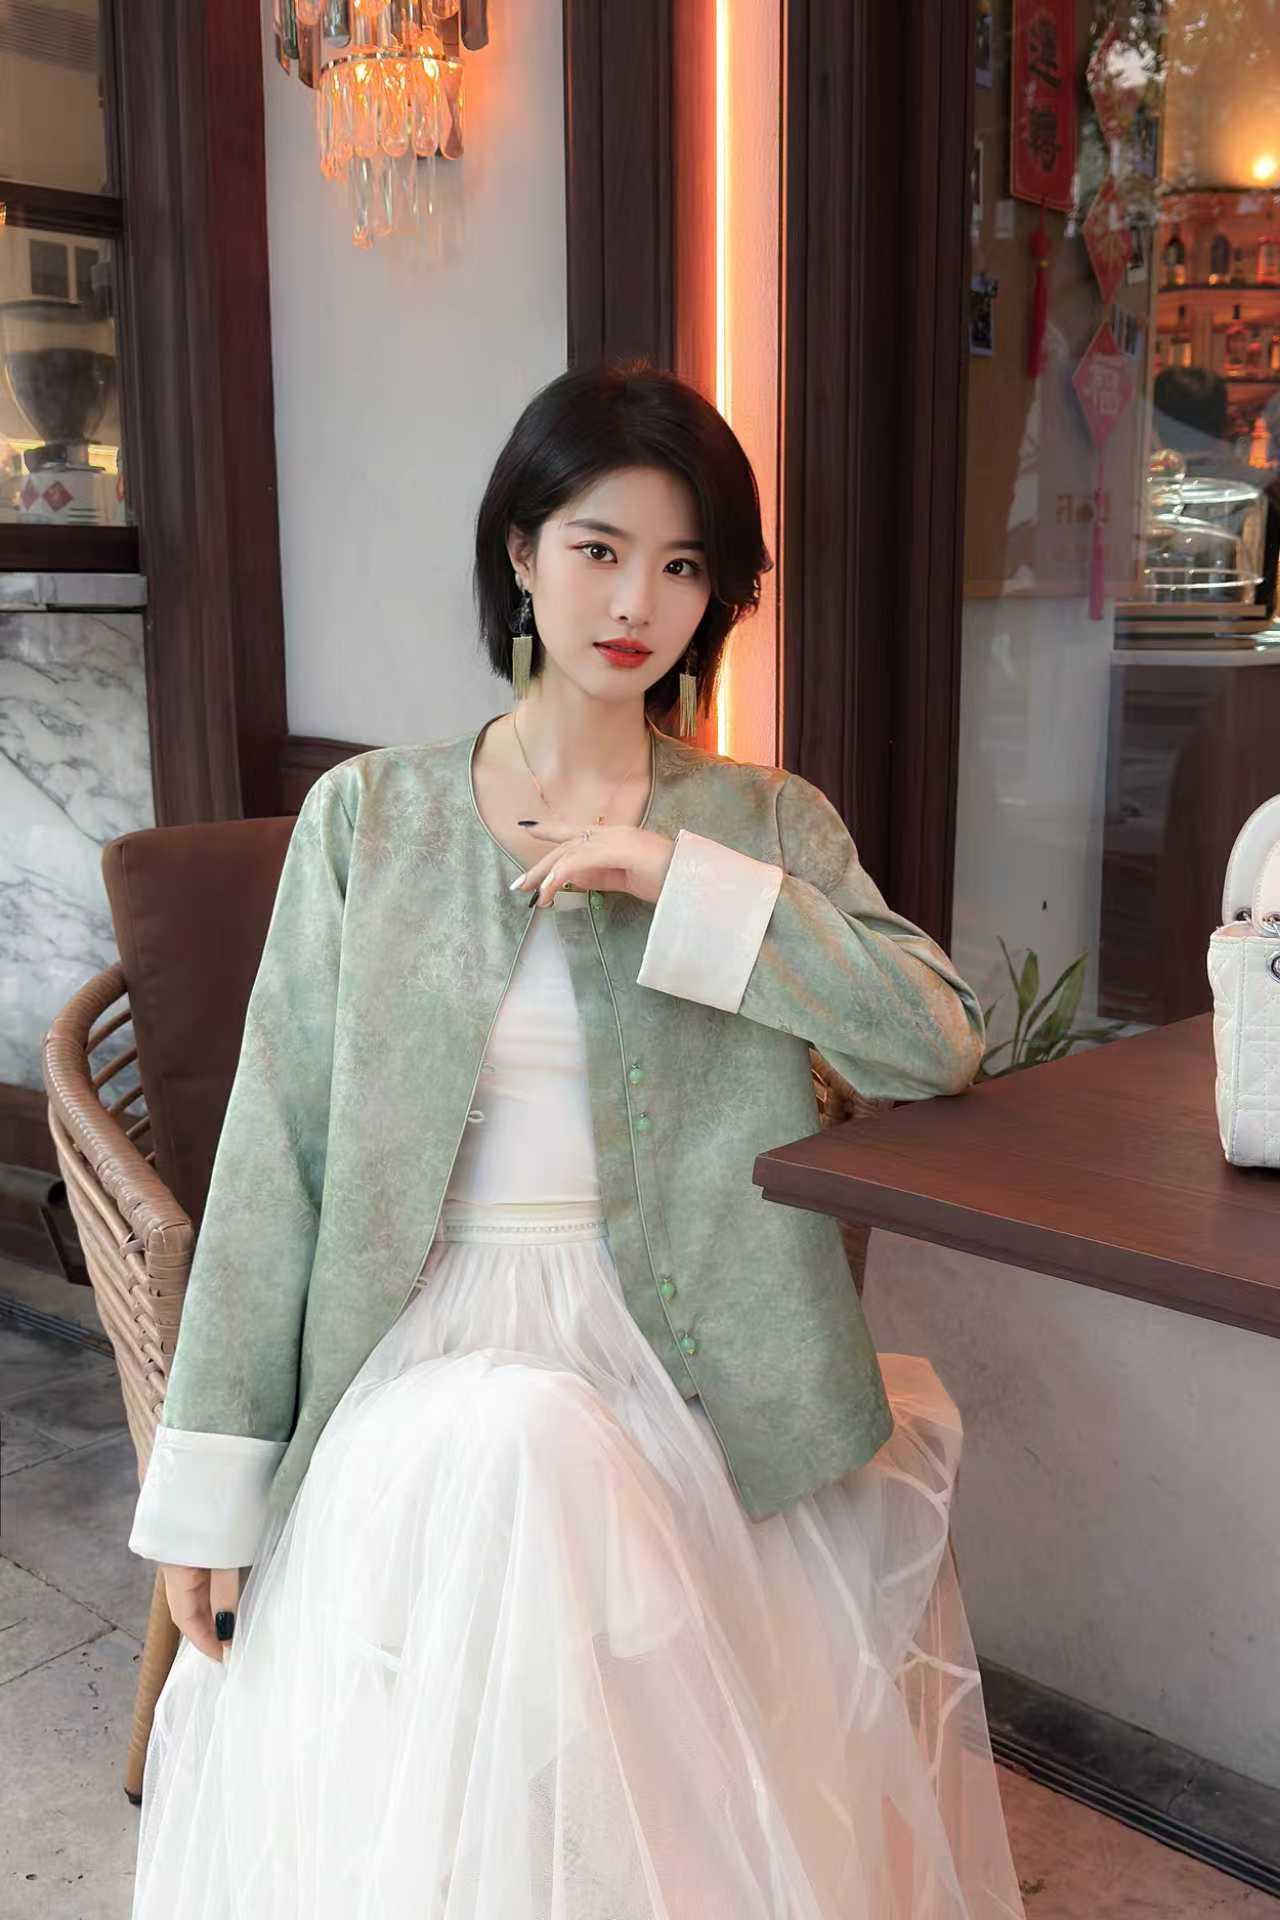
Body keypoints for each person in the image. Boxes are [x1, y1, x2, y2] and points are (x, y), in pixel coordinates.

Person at [125, 362, 1025, 1917]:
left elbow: (934, 1040)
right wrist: (208, 1493)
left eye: (682, 566)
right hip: (417, 1350)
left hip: (686, 1362)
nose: (636, 603)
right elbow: (278, 1154)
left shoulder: (764, 823)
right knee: (518, 1451)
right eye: (600, 549)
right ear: (522, 553)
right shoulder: (373, 820)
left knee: (547, 1469)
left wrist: (685, 883)